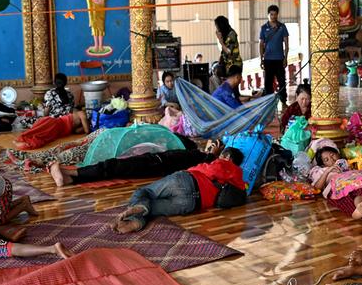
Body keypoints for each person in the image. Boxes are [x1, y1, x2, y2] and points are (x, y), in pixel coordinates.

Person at [112, 147, 247, 234]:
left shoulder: (226, 164)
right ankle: (137, 221)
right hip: (191, 204)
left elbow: (210, 170)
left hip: (185, 181)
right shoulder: (238, 183)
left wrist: (203, 164)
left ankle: (138, 211)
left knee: (144, 192)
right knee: (151, 208)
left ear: (227, 157)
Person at [49, 135, 218, 187]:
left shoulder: (197, 156)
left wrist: (212, 152)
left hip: (153, 163)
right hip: (153, 163)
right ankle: (71, 178)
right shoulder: (192, 153)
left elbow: (209, 159)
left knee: (112, 166)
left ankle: (70, 172)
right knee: (112, 168)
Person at [14, 74, 90, 150]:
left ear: (54, 82)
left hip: (54, 121)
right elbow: (84, 131)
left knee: (37, 129)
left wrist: (43, 119)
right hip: (59, 127)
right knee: (44, 136)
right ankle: (24, 141)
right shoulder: (71, 96)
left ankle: (22, 139)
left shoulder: (49, 93)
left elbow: (46, 111)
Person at [309, 143, 362, 222]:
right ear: (323, 164)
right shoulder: (321, 170)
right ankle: (359, 210)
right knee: (342, 198)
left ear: (337, 154)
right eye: (326, 160)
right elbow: (316, 188)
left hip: (353, 182)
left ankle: (361, 204)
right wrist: (327, 171)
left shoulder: (345, 164)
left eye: (332, 155)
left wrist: (350, 170)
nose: (332, 159)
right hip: (336, 188)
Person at [259, 4, 290, 106]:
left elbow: (286, 43)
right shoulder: (264, 28)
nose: (273, 16)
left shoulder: (282, 27)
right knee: (268, 82)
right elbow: (261, 44)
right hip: (268, 59)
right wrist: (261, 59)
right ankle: (269, 103)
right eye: (271, 14)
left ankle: (283, 101)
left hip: (279, 59)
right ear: (268, 15)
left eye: (275, 14)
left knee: (282, 81)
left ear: (277, 15)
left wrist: (285, 58)